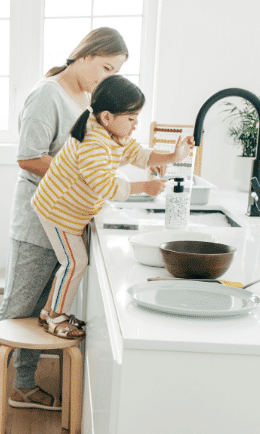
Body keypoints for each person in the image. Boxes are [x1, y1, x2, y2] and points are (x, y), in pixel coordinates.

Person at [0, 27, 130, 434]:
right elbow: (28, 157)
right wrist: (81, 175)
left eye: (116, 71)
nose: (108, 76)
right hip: (37, 222)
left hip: (65, 220)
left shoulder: (84, 100)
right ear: (85, 54)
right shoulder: (48, 94)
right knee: (15, 308)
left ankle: (22, 385)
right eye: (106, 66)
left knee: (44, 309)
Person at [34, 74, 195, 338]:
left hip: (68, 211)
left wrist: (173, 156)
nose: (135, 125)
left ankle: (48, 312)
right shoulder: (93, 143)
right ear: (108, 117)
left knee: (71, 262)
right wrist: (144, 187)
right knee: (75, 263)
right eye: (131, 118)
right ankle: (55, 317)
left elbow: (138, 153)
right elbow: (106, 186)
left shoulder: (110, 134)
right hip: (57, 211)